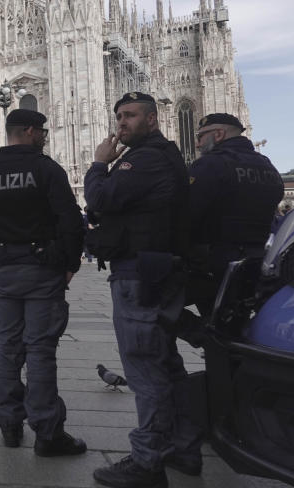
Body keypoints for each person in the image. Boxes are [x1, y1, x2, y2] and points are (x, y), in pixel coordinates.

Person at [85, 92, 200, 487]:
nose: (122, 122)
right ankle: (183, 448)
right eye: (119, 115)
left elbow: (99, 199)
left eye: (130, 115)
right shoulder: (163, 156)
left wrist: (99, 164)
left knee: (145, 369)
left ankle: (148, 459)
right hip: (156, 271)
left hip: (139, 274)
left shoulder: (146, 159)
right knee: (167, 364)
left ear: (152, 119)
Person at [0, 108, 87, 457]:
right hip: (42, 267)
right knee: (40, 350)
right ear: (30, 131)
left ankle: (9, 424)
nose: (44, 135)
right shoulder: (46, 169)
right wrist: (70, 262)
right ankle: (47, 432)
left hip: (2, 267)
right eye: (42, 130)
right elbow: (70, 221)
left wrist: (3, 227)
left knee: (8, 347)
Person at [181, 113, 284, 344]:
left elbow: (185, 214)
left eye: (201, 136)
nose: (197, 143)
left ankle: (206, 337)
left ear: (218, 134)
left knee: (150, 299)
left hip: (217, 262)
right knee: (236, 325)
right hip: (258, 263)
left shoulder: (210, 165)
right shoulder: (267, 166)